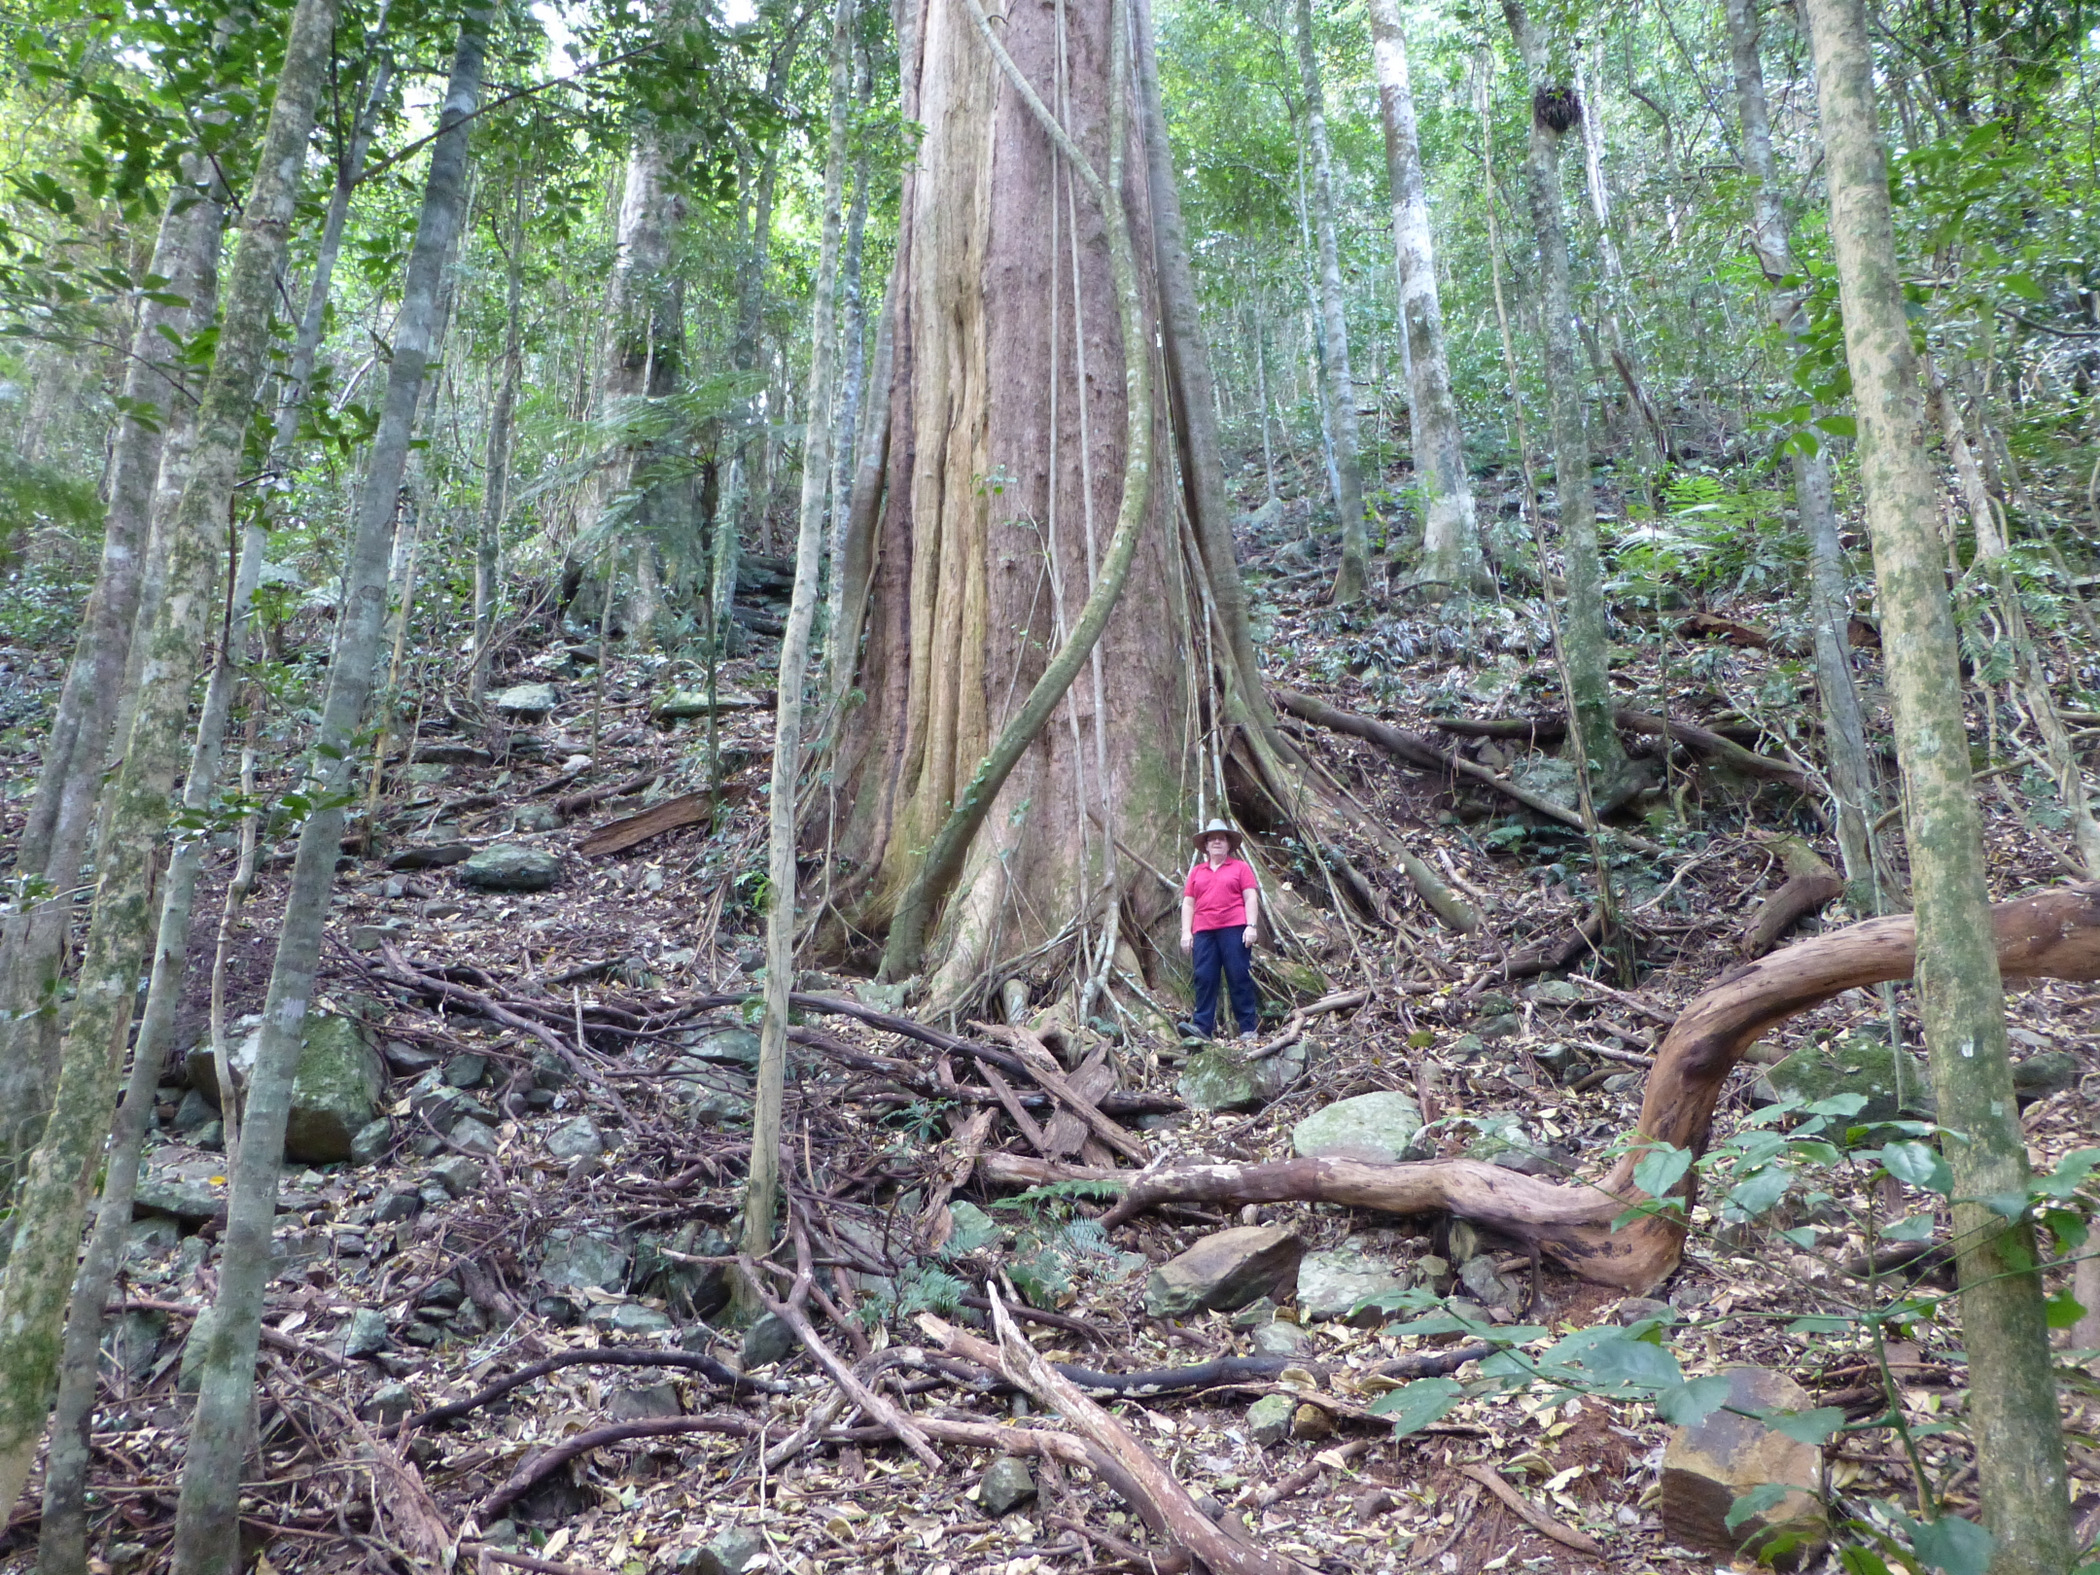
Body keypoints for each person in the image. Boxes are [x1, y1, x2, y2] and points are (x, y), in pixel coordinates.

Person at [1180, 819, 1260, 1040]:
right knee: (1204, 977)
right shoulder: (1197, 872)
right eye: (1212, 838)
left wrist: (1251, 926)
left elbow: (1250, 897)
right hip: (1204, 931)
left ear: (1228, 845)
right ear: (1205, 845)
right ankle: (1202, 1028)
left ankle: (1247, 1028)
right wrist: (1186, 932)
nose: (1217, 842)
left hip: (1234, 928)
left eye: (1221, 838)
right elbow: (1188, 903)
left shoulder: (1240, 868)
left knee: (1238, 975)